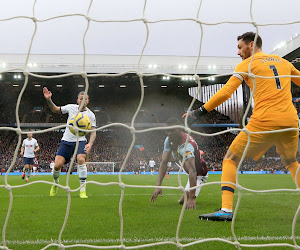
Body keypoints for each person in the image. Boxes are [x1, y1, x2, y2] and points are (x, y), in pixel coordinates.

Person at [185, 32, 300, 221]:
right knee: (291, 162)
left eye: (240, 47)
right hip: (290, 122)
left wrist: (199, 112)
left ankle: (226, 210)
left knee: (230, 160)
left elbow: (226, 92)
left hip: (264, 121)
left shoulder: (247, 64)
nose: (238, 52)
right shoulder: (283, 62)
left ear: (251, 45)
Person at [43, 87, 96, 198]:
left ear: (88, 101)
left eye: (85, 99)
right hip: (66, 141)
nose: (83, 101)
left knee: (81, 159)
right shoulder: (71, 108)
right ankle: (55, 184)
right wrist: (48, 99)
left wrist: (90, 143)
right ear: (77, 100)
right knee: (57, 165)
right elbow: (55, 109)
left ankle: (82, 190)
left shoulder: (91, 115)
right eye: (81, 99)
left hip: (80, 141)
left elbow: (93, 132)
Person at [150, 117, 208, 210]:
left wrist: (192, 198)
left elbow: (193, 171)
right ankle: (188, 193)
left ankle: (191, 194)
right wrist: (158, 186)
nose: (169, 133)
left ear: (179, 129)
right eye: (167, 131)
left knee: (182, 202)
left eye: (172, 130)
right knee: (183, 201)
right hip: (190, 172)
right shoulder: (168, 140)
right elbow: (163, 163)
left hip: (199, 173)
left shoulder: (187, 145)